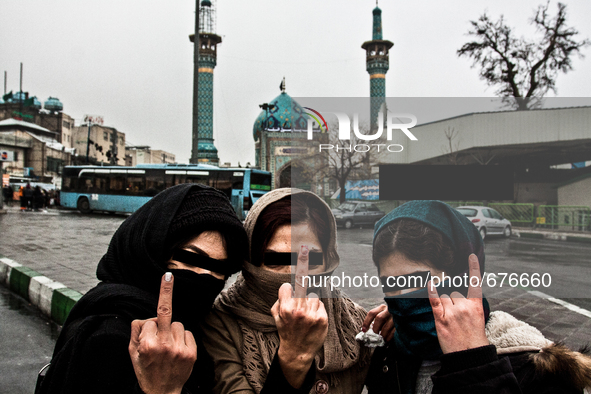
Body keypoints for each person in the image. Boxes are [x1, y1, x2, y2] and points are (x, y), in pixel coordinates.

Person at [36, 183, 249, 394]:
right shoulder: (111, 339)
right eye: (191, 259)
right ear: (151, 252)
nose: (206, 277)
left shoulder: (198, 327)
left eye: (219, 268)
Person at [365, 200, 591, 394]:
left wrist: (473, 364)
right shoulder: (386, 355)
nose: (403, 299)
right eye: (392, 283)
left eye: (416, 281)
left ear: (462, 278)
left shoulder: (539, 370)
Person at [201, 188, 379, 394]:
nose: (294, 275)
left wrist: (402, 328)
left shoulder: (355, 320)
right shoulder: (220, 324)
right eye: (275, 260)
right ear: (251, 260)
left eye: (309, 259)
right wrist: (293, 357)